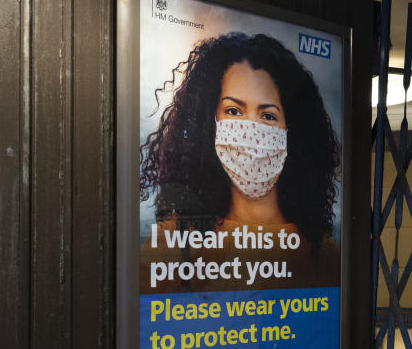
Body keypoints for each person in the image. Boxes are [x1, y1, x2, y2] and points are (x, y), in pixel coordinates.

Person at [139, 32, 341, 293]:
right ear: (209, 122)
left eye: (268, 116)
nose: (251, 131)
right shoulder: (175, 240)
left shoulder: (320, 250)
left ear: (293, 132)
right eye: (233, 111)